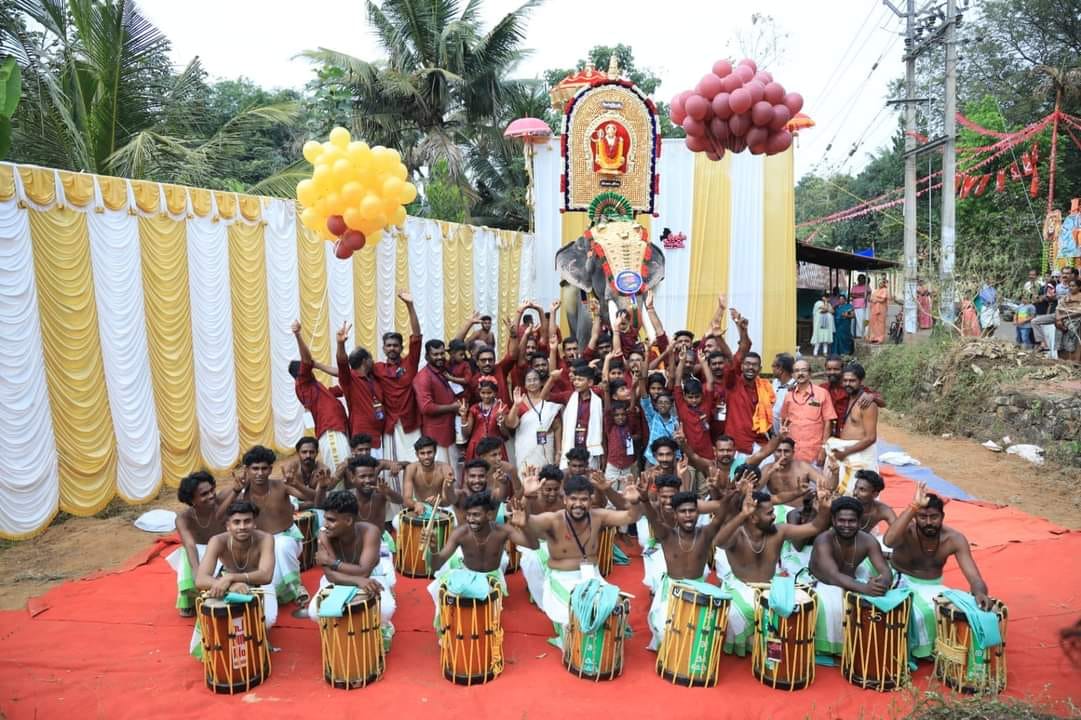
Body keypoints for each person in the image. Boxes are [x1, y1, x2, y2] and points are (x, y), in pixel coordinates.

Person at [517, 473, 643, 648]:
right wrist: (528, 496)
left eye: (583, 499)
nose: (578, 504)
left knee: (616, 605)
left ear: (590, 500)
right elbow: (526, 521)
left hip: (593, 576)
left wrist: (635, 502)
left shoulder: (598, 516)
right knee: (581, 610)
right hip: (562, 579)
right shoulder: (553, 520)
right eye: (573, 499)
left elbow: (632, 517)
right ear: (565, 499)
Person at [711, 485, 831, 655]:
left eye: (773, 512)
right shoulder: (737, 534)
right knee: (739, 613)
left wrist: (825, 509)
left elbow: (815, 528)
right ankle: (759, 644)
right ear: (753, 517)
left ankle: (766, 645)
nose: (774, 516)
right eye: (769, 513)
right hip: (741, 587)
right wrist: (742, 514)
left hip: (771, 587)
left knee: (799, 608)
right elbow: (718, 542)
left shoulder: (780, 531)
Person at [884, 483, 992, 660]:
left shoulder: (954, 539)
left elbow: (973, 576)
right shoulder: (907, 530)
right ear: (915, 517)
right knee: (919, 613)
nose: (928, 522)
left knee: (955, 613)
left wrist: (980, 592)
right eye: (922, 517)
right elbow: (889, 541)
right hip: (899, 579)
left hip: (932, 585)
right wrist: (913, 507)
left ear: (942, 516)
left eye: (934, 517)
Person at [423, 491, 534, 631]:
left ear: (488, 515)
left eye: (476, 515)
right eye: (468, 514)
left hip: (492, 579)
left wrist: (524, 526)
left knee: (483, 626)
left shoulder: (503, 531)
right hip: (466, 574)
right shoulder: (460, 533)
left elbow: (533, 545)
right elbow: (436, 566)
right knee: (443, 592)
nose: (470, 519)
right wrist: (432, 549)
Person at [305, 490, 396, 651]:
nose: (325, 524)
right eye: (325, 518)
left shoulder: (370, 531)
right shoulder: (324, 534)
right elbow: (331, 575)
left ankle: (383, 625)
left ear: (348, 520)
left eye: (331, 520)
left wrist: (333, 562)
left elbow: (365, 571)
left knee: (387, 608)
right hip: (341, 579)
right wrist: (357, 580)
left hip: (372, 574)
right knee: (314, 612)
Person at [809, 496, 894, 659]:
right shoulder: (823, 540)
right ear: (833, 520)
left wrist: (882, 583)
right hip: (823, 582)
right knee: (833, 606)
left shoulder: (867, 540)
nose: (846, 526)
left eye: (851, 521)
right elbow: (833, 576)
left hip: (851, 579)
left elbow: (885, 570)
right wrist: (865, 589)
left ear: (860, 521)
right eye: (841, 520)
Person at [641, 490, 727, 650]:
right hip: (671, 591)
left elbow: (722, 514)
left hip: (699, 591)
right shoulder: (667, 534)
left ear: (697, 512)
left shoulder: (706, 533)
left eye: (692, 510)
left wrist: (734, 492)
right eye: (682, 511)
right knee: (667, 634)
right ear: (674, 515)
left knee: (699, 639)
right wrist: (645, 500)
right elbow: (653, 518)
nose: (688, 515)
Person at [192, 501, 277, 656]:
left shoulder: (266, 539)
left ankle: (258, 638)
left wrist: (232, 577)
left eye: (247, 521)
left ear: (255, 523)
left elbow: (266, 575)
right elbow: (200, 580)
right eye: (236, 522)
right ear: (228, 526)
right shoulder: (217, 541)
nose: (242, 526)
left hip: (257, 582)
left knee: (269, 620)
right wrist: (230, 584)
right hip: (227, 582)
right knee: (219, 613)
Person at [237, 445, 311, 615]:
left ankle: (296, 585)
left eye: (264, 468)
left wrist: (298, 484)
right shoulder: (242, 493)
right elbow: (223, 514)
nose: (260, 473)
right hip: (260, 545)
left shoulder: (281, 486)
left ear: (270, 469)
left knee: (281, 545)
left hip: (287, 538)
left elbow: (312, 498)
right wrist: (235, 490)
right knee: (272, 583)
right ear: (247, 470)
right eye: (255, 468)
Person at [169, 471, 232, 617]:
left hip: (222, 550)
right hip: (197, 552)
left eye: (212, 490)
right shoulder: (183, 518)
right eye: (204, 494)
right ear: (192, 499)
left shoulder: (223, 503)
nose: (211, 495)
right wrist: (197, 572)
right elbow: (189, 544)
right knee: (185, 555)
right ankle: (190, 600)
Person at [290, 320, 350, 470]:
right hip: (331, 430)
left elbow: (342, 381)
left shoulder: (314, 387)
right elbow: (307, 360)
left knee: (347, 467)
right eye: (307, 368)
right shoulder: (302, 383)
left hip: (337, 428)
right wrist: (298, 335)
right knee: (341, 469)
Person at [374, 292, 422, 463]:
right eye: (389, 346)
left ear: (401, 347)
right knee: (394, 468)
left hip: (411, 422)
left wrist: (410, 306)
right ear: (384, 348)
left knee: (416, 462)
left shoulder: (410, 363)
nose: (392, 348)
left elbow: (416, 336)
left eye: (396, 345)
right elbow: (353, 374)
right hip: (391, 424)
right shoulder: (377, 368)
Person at [721, 310, 775, 454]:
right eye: (747, 364)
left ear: (760, 368)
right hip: (737, 447)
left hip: (760, 443)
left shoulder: (765, 387)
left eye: (754, 365)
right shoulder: (733, 383)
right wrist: (743, 331)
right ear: (742, 366)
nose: (751, 367)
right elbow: (739, 355)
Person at [825, 363, 880, 495]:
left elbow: (871, 438)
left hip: (859, 455)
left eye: (852, 381)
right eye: (845, 380)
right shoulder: (847, 398)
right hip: (846, 453)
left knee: (857, 494)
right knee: (838, 493)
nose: (848, 384)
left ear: (861, 382)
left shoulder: (867, 404)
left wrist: (846, 452)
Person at [335, 322, 386, 455]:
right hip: (362, 440)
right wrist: (340, 344)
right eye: (371, 358)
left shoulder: (373, 378)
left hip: (379, 437)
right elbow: (341, 364)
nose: (373, 361)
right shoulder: (349, 380)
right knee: (365, 473)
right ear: (365, 361)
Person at [518, 464, 565, 605]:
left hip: (555, 541)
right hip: (531, 541)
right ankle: (542, 599)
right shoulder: (531, 499)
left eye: (555, 489)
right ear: (540, 486)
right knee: (532, 560)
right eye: (548, 489)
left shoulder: (564, 501)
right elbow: (521, 517)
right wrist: (526, 495)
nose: (552, 493)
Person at [415, 339, 462, 474]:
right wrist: (452, 407)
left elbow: (458, 343)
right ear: (427, 356)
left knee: (455, 474)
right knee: (439, 475)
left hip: (451, 432)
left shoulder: (443, 369)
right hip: (436, 436)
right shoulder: (423, 377)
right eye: (435, 354)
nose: (440, 357)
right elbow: (426, 407)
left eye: (442, 353)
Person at [504, 370, 562, 473]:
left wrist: (558, 452)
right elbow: (511, 424)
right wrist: (516, 405)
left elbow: (557, 427)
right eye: (529, 380)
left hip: (547, 447)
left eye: (535, 379)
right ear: (525, 385)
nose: (532, 383)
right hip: (525, 448)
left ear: (541, 383)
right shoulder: (520, 403)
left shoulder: (549, 402)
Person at [780, 359, 837, 465]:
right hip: (793, 454)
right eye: (796, 371)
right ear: (793, 375)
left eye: (803, 370)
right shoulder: (788, 396)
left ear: (810, 373)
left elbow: (828, 423)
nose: (800, 373)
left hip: (814, 454)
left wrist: (823, 450)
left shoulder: (822, 394)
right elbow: (784, 420)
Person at [820, 355, 885, 435]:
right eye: (829, 369)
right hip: (828, 433)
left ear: (842, 369)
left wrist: (872, 397)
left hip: (847, 435)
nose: (832, 372)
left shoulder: (850, 387)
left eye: (836, 369)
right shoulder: (823, 388)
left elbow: (882, 403)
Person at [557, 364, 604, 469]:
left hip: (589, 448)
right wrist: (552, 379)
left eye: (580, 379)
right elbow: (545, 397)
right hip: (572, 446)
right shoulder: (569, 396)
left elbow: (605, 384)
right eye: (575, 379)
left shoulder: (597, 400)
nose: (576, 382)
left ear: (590, 382)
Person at [400, 435, 455, 519]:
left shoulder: (445, 469)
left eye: (429, 452)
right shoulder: (411, 469)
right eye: (422, 453)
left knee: (453, 520)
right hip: (420, 507)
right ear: (417, 454)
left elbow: (448, 502)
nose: (426, 457)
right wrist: (415, 504)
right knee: (396, 522)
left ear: (435, 452)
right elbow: (406, 499)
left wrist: (439, 501)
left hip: (441, 508)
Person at [458, 376, 507, 462]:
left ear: (495, 392)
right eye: (483, 393)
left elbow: (506, 434)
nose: (486, 396)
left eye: (489, 393)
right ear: (479, 392)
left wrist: (501, 421)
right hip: (477, 448)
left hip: (496, 449)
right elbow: (466, 434)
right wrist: (463, 417)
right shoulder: (474, 408)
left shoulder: (501, 407)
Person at [1055, 276, 1081, 361]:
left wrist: (1063, 317)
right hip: (1064, 319)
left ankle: (1073, 359)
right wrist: (1059, 319)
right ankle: (1062, 358)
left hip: (1076, 319)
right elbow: (1058, 308)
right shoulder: (1066, 297)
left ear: (1079, 287)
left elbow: (1079, 312)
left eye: (1073, 286)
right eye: (1070, 286)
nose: (1071, 288)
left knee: (1072, 329)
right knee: (1058, 329)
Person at [770, 353, 795, 435]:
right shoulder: (775, 383)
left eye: (773, 366)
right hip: (772, 435)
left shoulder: (795, 388)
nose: (772, 368)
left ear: (780, 369)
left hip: (787, 437)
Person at [811, 291, 835, 356]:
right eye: (828, 297)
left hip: (827, 325)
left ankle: (825, 352)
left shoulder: (828, 304)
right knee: (819, 337)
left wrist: (828, 308)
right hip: (819, 325)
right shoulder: (818, 303)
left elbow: (832, 311)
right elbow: (825, 309)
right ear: (823, 297)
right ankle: (815, 352)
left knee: (825, 339)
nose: (829, 299)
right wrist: (826, 304)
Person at [867, 278, 889, 344]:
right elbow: (871, 298)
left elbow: (883, 299)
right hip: (874, 309)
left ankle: (880, 338)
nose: (880, 284)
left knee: (880, 324)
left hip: (881, 309)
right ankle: (873, 337)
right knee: (873, 323)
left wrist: (875, 299)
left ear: (884, 284)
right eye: (879, 282)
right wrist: (872, 299)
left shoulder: (885, 290)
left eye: (881, 283)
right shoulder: (876, 290)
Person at [851, 274, 869, 338]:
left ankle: (866, 334)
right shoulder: (854, 287)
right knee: (859, 321)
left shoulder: (866, 287)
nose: (861, 280)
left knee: (866, 320)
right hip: (856, 306)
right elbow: (852, 295)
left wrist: (858, 295)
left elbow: (867, 295)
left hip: (865, 306)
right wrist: (862, 295)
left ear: (864, 280)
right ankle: (860, 335)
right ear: (858, 279)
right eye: (860, 278)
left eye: (862, 279)